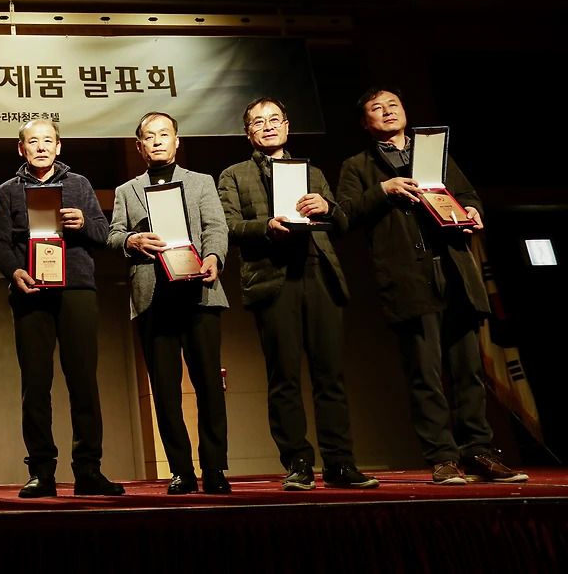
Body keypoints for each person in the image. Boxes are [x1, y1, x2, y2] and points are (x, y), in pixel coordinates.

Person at [336, 87, 526, 485]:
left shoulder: (433, 151)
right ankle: (442, 457)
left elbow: (467, 194)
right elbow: (345, 214)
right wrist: (383, 190)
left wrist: (472, 209)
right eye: (376, 108)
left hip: (454, 270)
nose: (387, 111)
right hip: (408, 276)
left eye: (393, 105)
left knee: (468, 371)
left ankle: (479, 451)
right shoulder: (357, 165)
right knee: (425, 374)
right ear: (365, 123)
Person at [217, 97, 378, 491]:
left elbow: (342, 222)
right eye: (259, 122)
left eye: (275, 119)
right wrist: (265, 226)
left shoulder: (313, 172)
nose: (268, 126)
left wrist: (327, 207)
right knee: (284, 378)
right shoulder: (234, 175)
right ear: (248, 133)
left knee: (330, 376)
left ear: (287, 126)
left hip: (319, 273)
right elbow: (228, 226)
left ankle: (340, 462)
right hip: (272, 280)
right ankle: (298, 462)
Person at [0, 119, 123, 498]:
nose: (41, 147)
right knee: (35, 385)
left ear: (58, 146)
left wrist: (82, 223)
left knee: (83, 382)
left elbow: (104, 233)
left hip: (76, 289)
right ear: (22, 149)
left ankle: (88, 469)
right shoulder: (8, 191)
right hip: (31, 291)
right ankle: (41, 471)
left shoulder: (79, 184)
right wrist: (14, 271)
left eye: (47, 141)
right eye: (33, 141)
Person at [107, 111, 231, 495]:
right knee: (165, 390)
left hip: (200, 293)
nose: (158, 140)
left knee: (209, 385)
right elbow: (113, 234)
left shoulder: (201, 182)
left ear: (177, 141)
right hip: (153, 297)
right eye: (150, 136)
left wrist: (214, 256)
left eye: (165, 134)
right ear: (139, 146)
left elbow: (216, 226)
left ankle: (214, 469)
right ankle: (180, 470)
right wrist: (131, 240)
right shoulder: (127, 190)